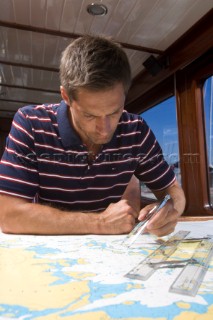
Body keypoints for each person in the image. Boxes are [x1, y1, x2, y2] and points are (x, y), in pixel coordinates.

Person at [0, 35, 185, 236]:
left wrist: (169, 209)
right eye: (89, 115)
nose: (104, 128)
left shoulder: (136, 129)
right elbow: (8, 215)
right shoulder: (31, 124)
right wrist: (99, 223)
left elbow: (173, 191)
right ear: (66, 97)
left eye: (114, 112)